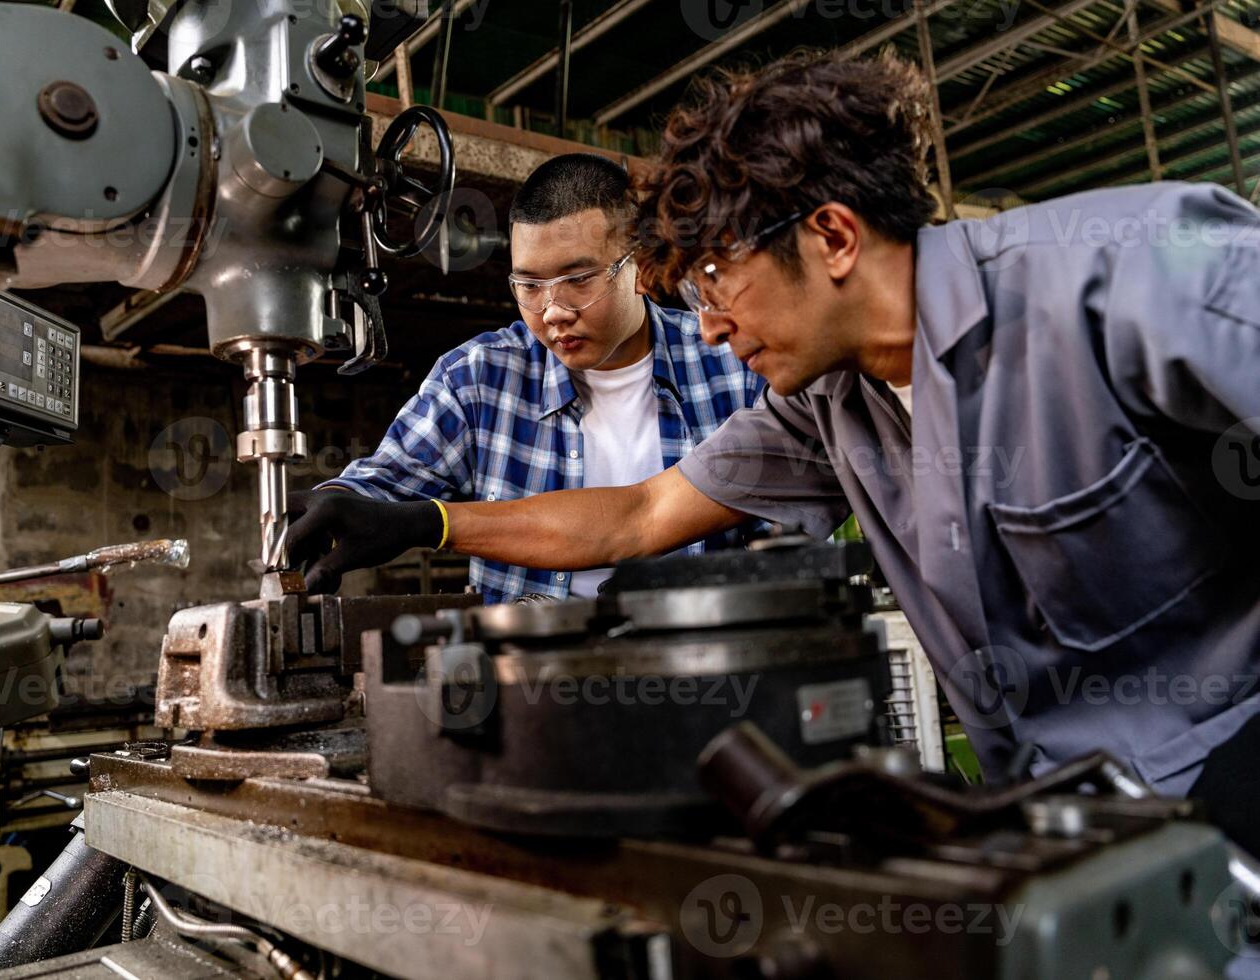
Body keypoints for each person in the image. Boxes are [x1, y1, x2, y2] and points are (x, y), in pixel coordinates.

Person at [288, 52, 1260, 851]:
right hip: (1063, 836)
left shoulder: (1138, 271)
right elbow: (641, 512)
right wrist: (426, 518)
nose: (708, 330)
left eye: (716, 280)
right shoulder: (832, 410)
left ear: (833, 235)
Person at [309, 153, 764, 602]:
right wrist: (331, 504)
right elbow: (383, 486)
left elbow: (789, 551)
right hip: (530, 671)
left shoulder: (734, 365)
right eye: (529, 286)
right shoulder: (478, 380)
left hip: (703, 667)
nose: (553, 312)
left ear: (641, 267)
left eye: (579, 279)